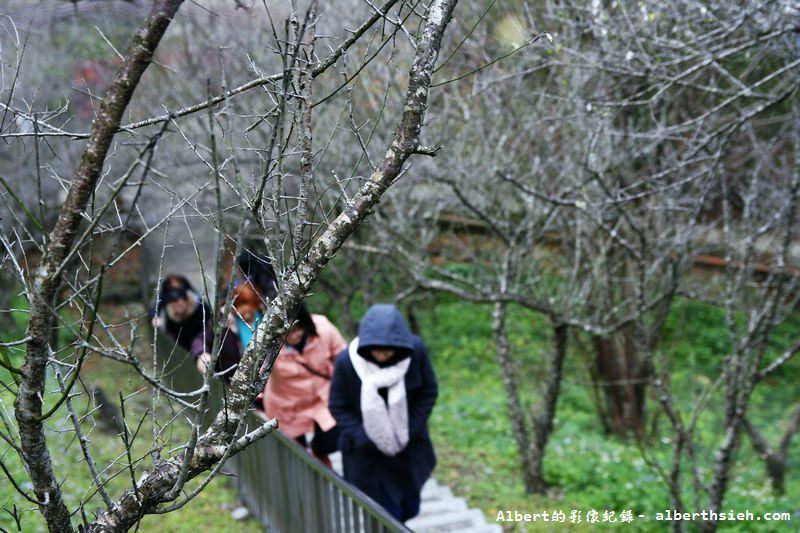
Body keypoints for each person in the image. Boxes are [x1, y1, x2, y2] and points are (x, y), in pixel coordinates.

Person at [328, 303, 438, 522]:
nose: (381, 354)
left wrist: (411, 428)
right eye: (376, 348)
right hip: (367, 456)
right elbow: (338, 405)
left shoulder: (414, 353)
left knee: (409, 508)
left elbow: (429, 391)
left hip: (407, 449)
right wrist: (365, 437)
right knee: (384, 515)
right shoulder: (347, 362)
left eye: (388, 348)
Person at [258, 303, 348, 468]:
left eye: (297, 328)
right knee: (298, 456)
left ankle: (320, 453)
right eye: (288, 332)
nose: (293, 336)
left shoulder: (323, 329)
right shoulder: (268, 343)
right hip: (286, 405)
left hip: (322, 399)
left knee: (332, 440)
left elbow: (343, 358)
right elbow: (257, 373)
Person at [150, 275, 214, 370]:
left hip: (202, 341)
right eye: (174, 303)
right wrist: (155, 317)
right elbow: (155, 307)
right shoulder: (169, 312)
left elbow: (209, 323)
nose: (178, 305)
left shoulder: (200, 306)